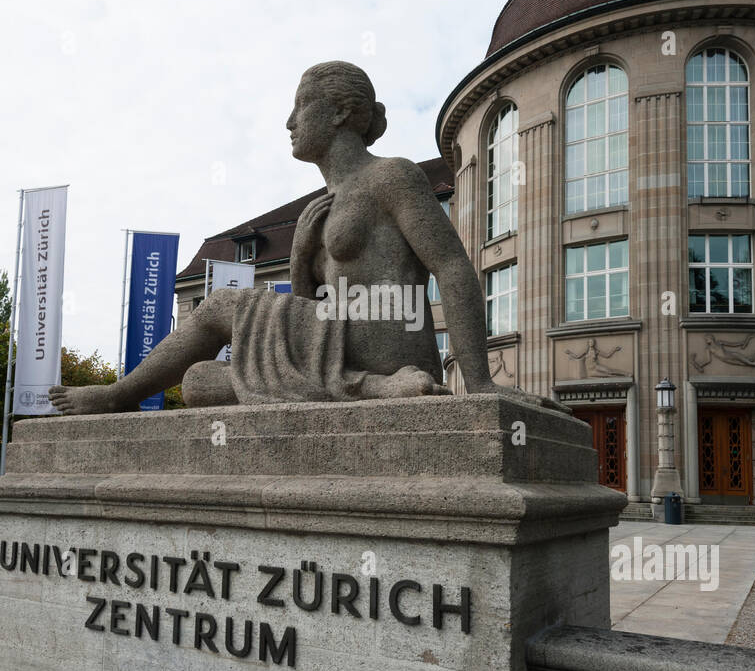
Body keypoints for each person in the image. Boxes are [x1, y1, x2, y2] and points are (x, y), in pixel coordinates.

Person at [50, 61, 557, 414]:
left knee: (222, 306)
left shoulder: (392, 176)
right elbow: (313, 304)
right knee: (200, 382)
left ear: (338, 113)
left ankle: (118, 395)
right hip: (341, 346)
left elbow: (451, 267)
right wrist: (298, 257)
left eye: (301, 107)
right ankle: (377, 391)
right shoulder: (322, 207)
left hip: (384, 335)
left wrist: (481, 381)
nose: (289, 122)